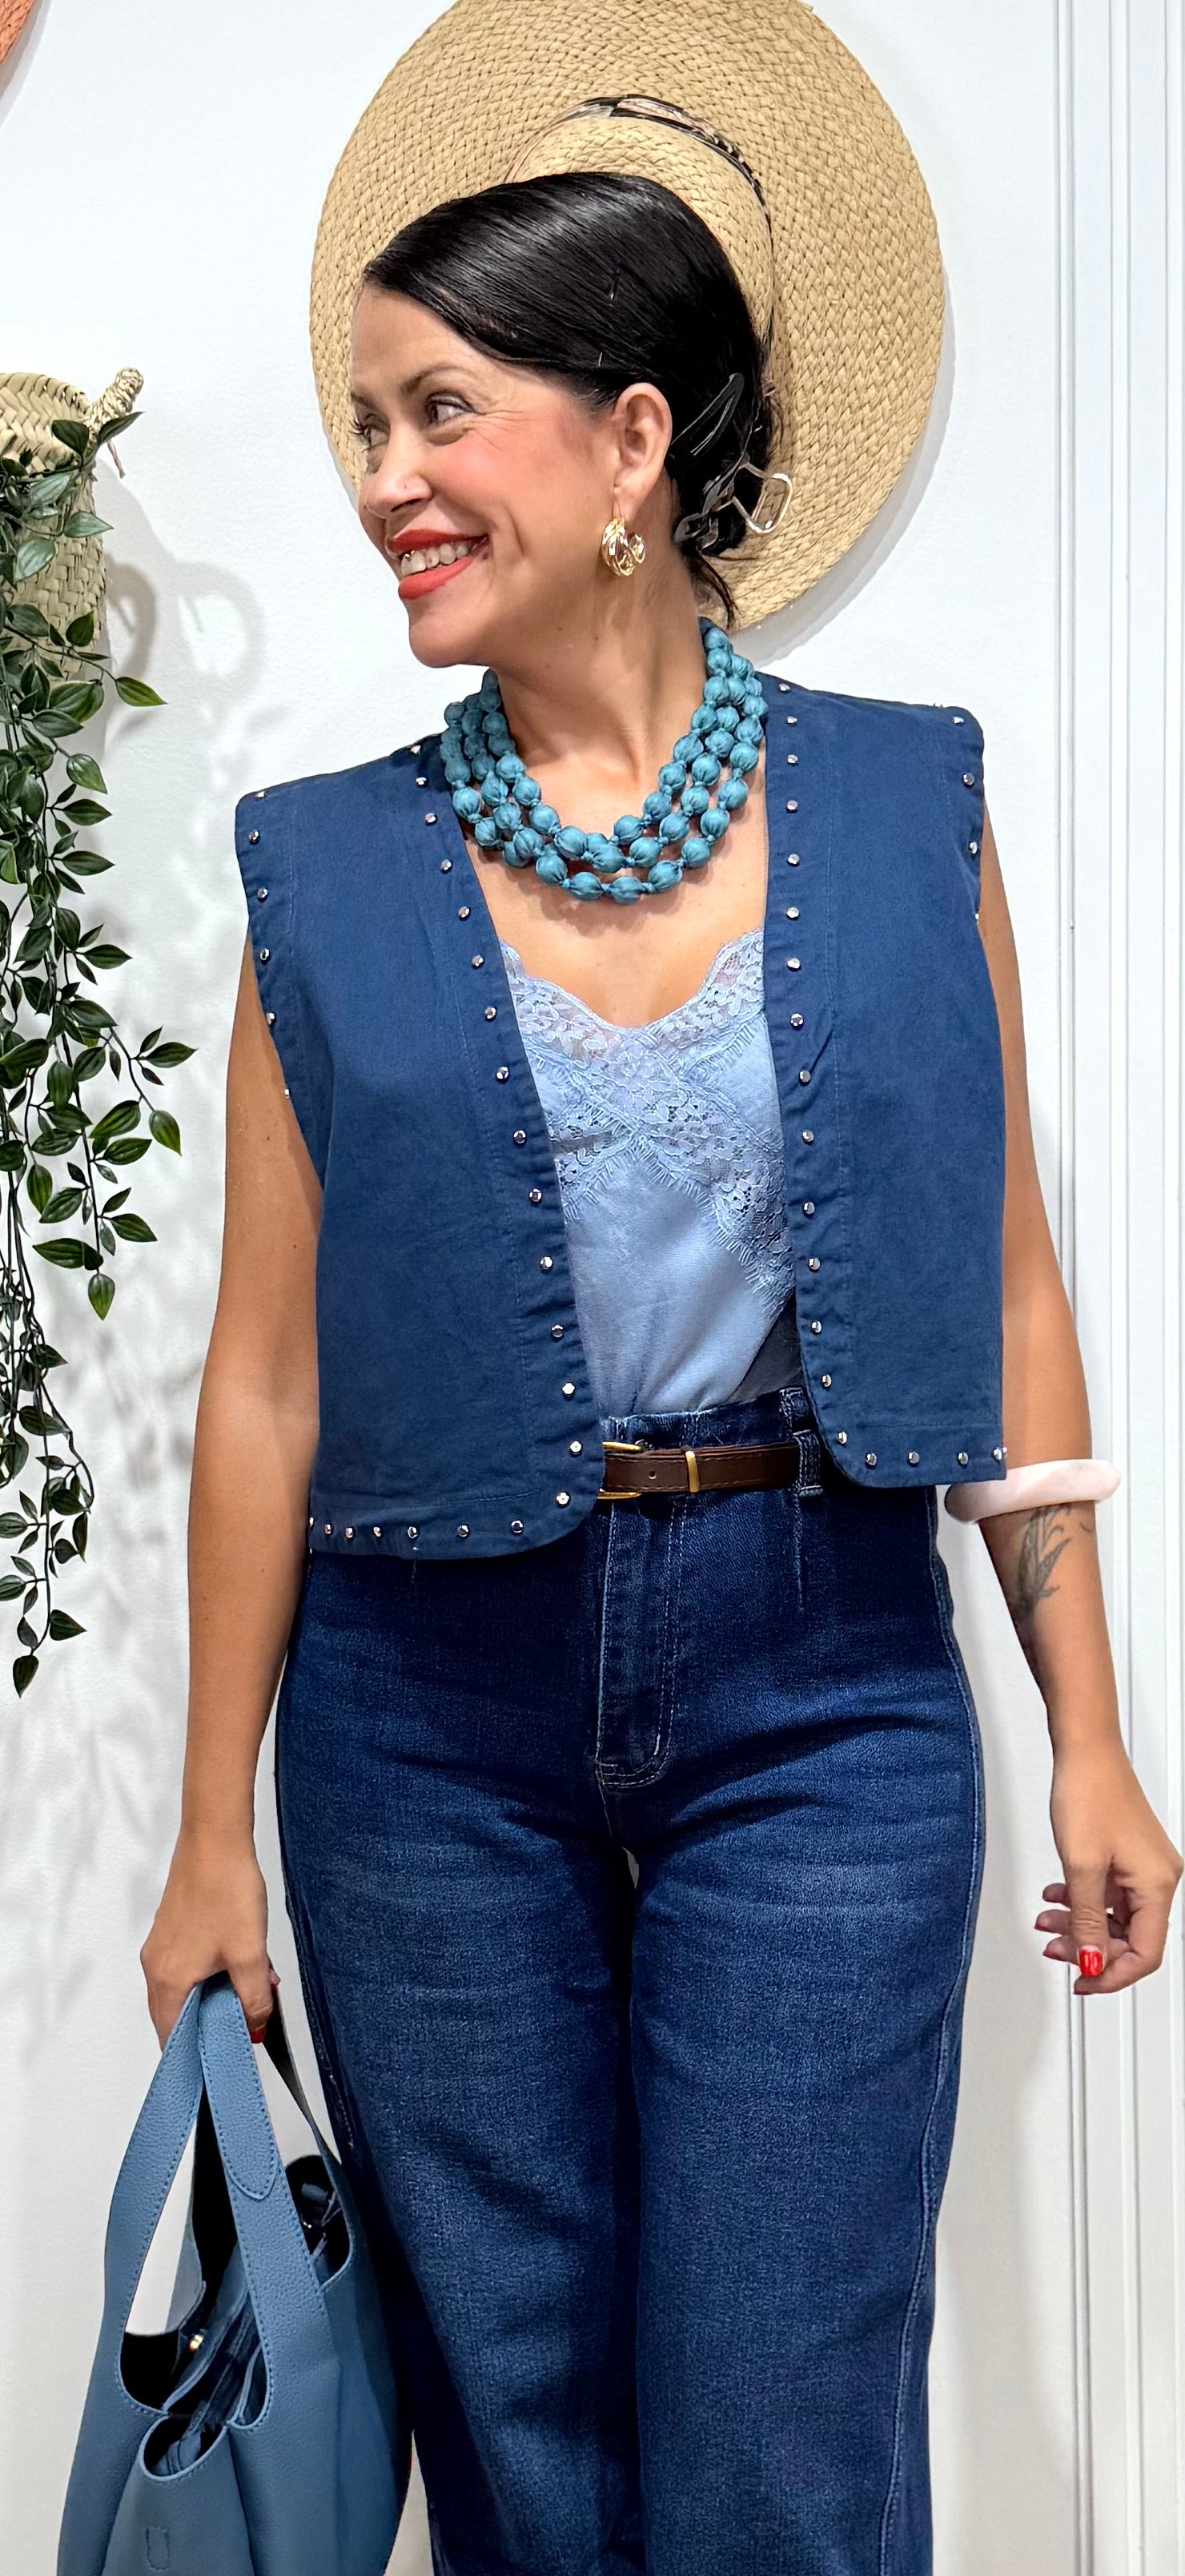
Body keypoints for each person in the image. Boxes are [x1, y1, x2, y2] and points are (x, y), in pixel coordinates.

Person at [140, 52, 1180, 2576]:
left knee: (780, 2452)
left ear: (627, 444)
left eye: (439, 411)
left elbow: (1006, 1286)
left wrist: (1092, 1732)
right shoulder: (324, 871)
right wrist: (204, 1837)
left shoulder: (910, 805)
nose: (385, 477)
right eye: (366, 421)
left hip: (825, 1682)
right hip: (420, 1719)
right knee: (519, 2452)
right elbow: (264, 1385)